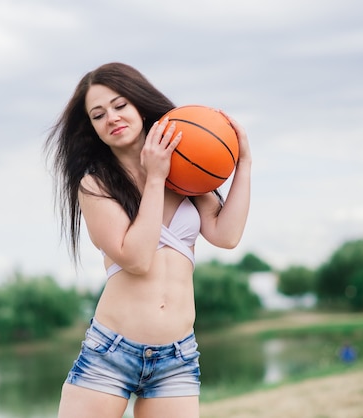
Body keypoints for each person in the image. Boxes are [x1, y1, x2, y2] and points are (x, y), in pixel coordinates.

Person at [44, 62, 252, 418]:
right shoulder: (95, 186)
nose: (111, 117)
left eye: (120, 105)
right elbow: (137, 258)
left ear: (139, 104)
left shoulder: (186, 166)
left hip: (177, 356)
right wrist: (156, 178)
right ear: (92, 128)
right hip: (112, 352)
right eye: (98, 115)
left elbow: (226, 235)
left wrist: (243, 163)